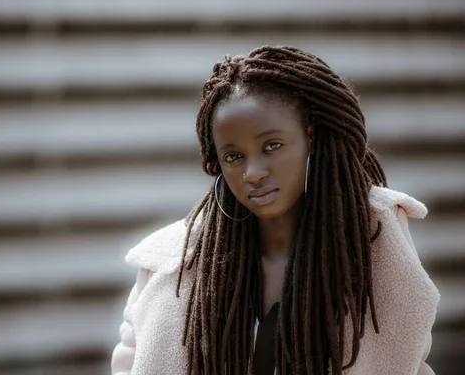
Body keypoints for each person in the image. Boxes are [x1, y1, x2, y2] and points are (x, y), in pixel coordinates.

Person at [111, 46, 439, 375]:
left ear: (313, 139)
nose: (252, 172)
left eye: (272, 146)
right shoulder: (168, 267)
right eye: (234, 157)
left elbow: (409, 362)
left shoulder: (374, 243)